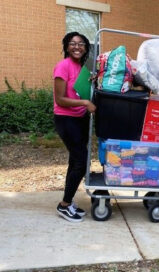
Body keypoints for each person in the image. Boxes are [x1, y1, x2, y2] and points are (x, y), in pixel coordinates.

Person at [53, 32, 96, 222]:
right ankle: (64, 205)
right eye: (72, 43)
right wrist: (86, 103)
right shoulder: (62, 67)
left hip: (79, 120)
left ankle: (68, 202)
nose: (77, 47)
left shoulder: (81, 68)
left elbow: (78, 91)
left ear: (86, 48)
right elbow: (60, 99)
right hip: (66, 120)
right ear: (66, 47)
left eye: (81, 44)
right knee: (80, 162)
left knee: (75, 161)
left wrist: (90, 84)